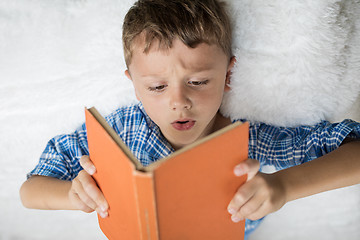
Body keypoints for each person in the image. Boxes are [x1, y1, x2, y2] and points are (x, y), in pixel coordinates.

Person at [20, 0, 360, 238]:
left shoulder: (247, 137)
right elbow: (29, 190)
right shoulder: (120, 131)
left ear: (228, 75)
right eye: (156, 86)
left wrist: (283, 186)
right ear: (134, 85)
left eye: (198, 82)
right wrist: (72, 195)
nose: (179, 102)